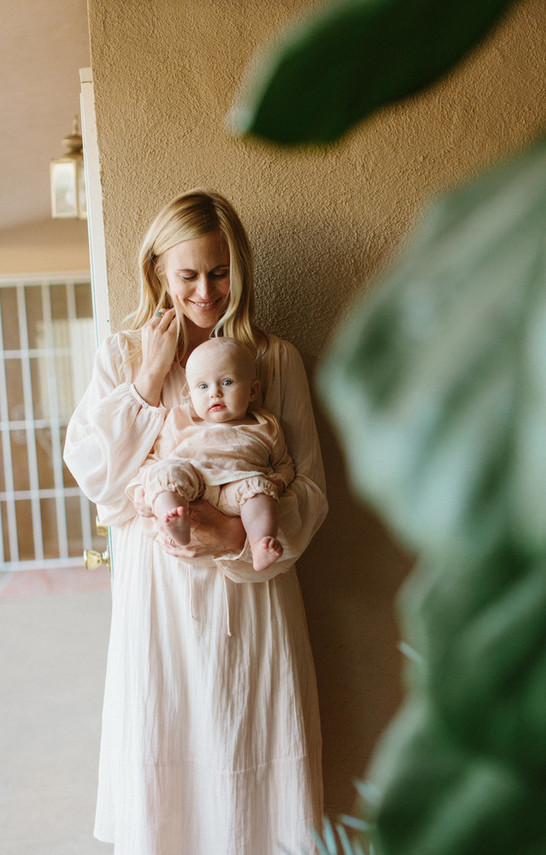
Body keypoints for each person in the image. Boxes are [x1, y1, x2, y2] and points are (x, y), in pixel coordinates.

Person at [63, 188, 328, 855]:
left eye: (220, 271)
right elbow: (100, 478)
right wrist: (150, 380)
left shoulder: (273, 361)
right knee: (169, 792)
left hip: (254, 602)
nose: (207, 291)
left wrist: (234, 532)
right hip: (159, 610)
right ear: (157, 272)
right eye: (189, 275)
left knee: (254, 794)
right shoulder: (122, 356)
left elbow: (312, 492)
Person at [127, 336, 295, 572]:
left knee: (258, 488)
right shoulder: (180, 419)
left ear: (253, 390)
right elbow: (155, 461)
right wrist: (141, 491)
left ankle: (259, 543)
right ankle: (173, 517)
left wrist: (279, 481)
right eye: (203, 387)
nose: (214, 393)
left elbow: (284, 464)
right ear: (191, 394)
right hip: (191, 479)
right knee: (165, 472)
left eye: (227, 382)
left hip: (236, 488)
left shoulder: (265, 425)